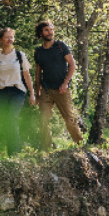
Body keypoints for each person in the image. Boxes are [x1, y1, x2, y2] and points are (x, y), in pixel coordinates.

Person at [33, 20, 84, 150]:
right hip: (46, 90)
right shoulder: (38, 51)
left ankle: (80, 145)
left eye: (51, 29)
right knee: (43, 121)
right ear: (40, 33)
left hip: (62, 89)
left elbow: (72, 65)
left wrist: (65, 83)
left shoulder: (60, 46)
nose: (50, 32)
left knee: (69, 119)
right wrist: (37, 92)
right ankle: (47, 148)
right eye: (46, 30)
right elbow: (38, 73)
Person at [0, 28, 36, 154]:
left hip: (18, 91)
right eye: (7, 37)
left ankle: (15, 153)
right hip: (2, 92)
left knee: (12, 118)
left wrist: (32, 94)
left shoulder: (19, 55)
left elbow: (27, 75)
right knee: (6, 121)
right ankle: (11, 152)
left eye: (11, 37)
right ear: (0, 39)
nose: (10, 39)